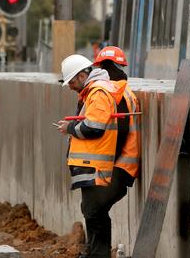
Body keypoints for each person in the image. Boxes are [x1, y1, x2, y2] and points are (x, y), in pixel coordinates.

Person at [55, 54, 128, 258]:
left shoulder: (98, 92)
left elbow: (95, 127)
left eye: (71, 81)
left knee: (94, 212)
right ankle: (94, 253)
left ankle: (98, 254)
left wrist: (70, 128)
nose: (70, 87)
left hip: (96, 165)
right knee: (92, 211)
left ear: (81, 75)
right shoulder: (94, 92)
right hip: (93, 165)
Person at [92, 46, 141, 187]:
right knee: (93, 207)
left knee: (92, 207)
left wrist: (109, 163)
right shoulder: (123, 89)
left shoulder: (113, 91)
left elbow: (122, 130)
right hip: (123, 165)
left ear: (104, 67)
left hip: (119, 166)